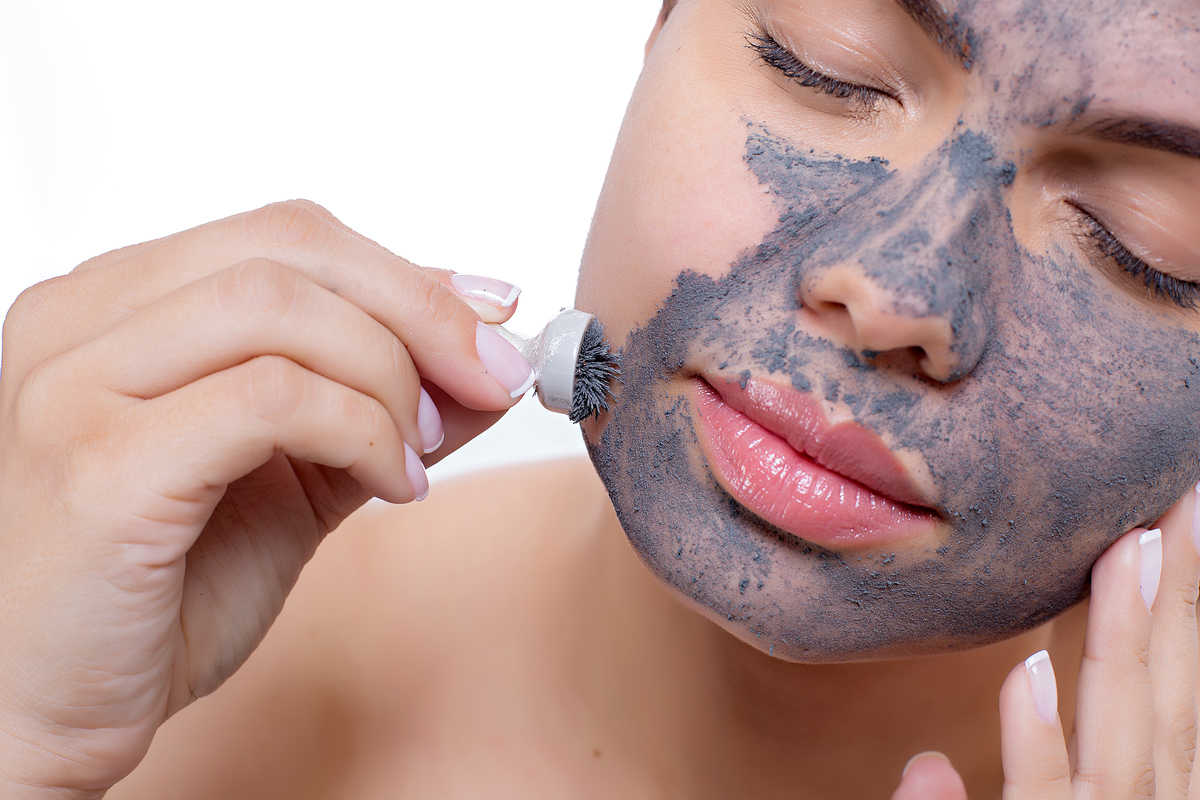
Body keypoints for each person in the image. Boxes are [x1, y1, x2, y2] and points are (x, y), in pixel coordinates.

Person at [1, 0, 1197, 797]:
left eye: (1141, 242)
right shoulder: (148, 661)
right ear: (661, 24)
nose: (894, 292)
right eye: (823, 61)